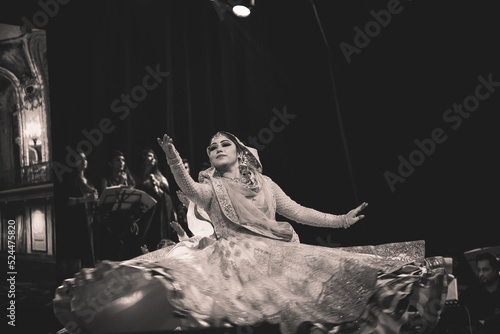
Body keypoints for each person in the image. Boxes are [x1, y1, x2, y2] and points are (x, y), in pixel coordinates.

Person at [53, 131, 452, 334]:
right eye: (211, 147)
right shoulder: (212, 187)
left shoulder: (267, 185)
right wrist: (173, 159)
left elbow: (299, 212)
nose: (216, 149)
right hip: (228, 260)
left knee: (337, 287)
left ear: (241, 152)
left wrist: (342, 221)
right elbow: (191, 190)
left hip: (274, 257)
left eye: (224, 144)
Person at [58, 150, 98, 280]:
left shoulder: (90, 181)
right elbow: (66, 201)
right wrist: (85, 199)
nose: (84, 161)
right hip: (75, 222)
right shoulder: (70, 180)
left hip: (89, 221)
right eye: (80, 159)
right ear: (73, 163)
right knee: (76, 257)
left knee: (89, 255)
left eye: (85, 158)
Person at [134, 148, 177, 249]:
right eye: (150, 156)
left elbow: (168, 197)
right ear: (143, 159)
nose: (153, 158)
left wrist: (158, 188)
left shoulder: (160, 177)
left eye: (154, 156)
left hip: (159, 215)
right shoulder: (137, 177)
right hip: (144, 214)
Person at [461, 252, 500, 333]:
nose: (481, 274)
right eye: (479, 270)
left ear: (495, 270)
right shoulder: (470, 292)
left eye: (485, 270)